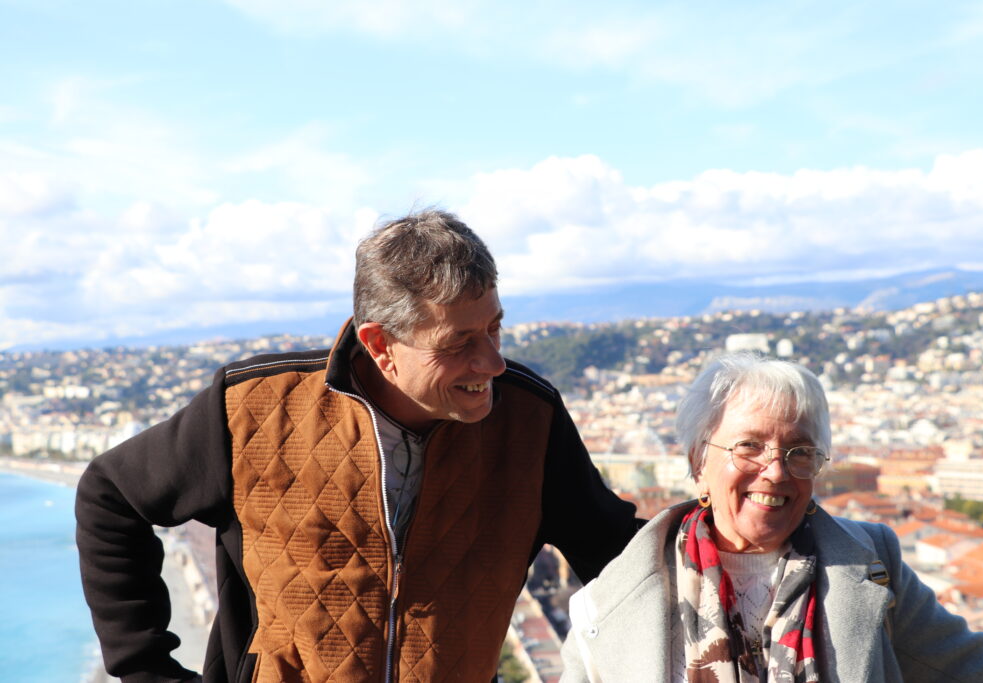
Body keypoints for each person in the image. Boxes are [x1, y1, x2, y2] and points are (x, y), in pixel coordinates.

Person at [76, 209, 639, 683]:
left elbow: (628, 565)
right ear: (379, 345)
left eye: (495, 327)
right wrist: (147, 670)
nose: (491, 362)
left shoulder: (530, 421)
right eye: (460, 342)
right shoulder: (255, 408)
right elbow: (110, 496)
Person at [561, 352, 983, 682]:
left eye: (800, 451)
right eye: (749, 446)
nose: (776, 471)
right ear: (699, 462)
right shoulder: (606, 605)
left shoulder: (875, 567)